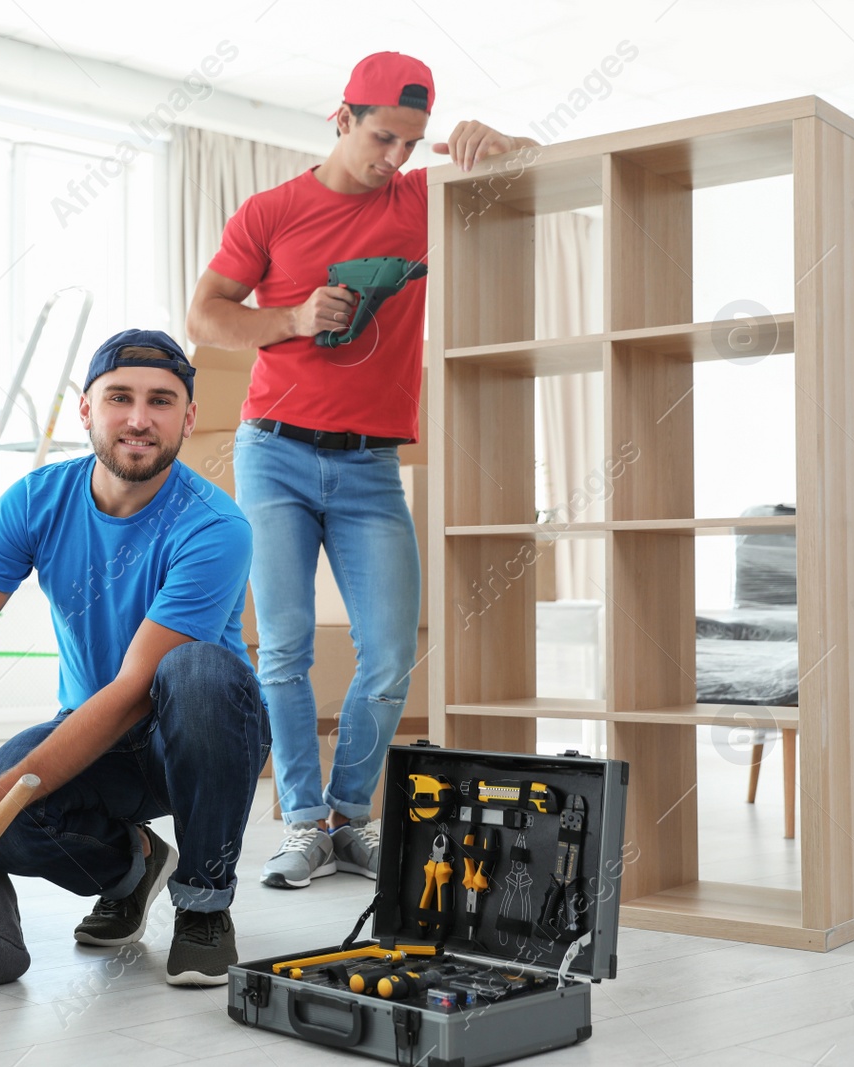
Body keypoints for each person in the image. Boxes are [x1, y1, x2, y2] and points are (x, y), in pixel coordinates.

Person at [185, 52, 538, 889]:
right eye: (384, 137)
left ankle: (350, 817)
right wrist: (292, 317)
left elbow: (536, 168)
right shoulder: (273, 211)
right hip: (273, 451)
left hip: (371, 464)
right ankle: (304, 821)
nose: (395, 159)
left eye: (412, 143)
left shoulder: (421, 201)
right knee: (286, 647)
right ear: (342, 118)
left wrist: (501, 141)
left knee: (388, 654)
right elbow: (204, 311)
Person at [0, 329, 266, 987]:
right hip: (96, 732)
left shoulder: (214, 525)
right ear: (84, 409)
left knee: (195, 671)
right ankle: (133, 867)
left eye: (162, 401)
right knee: (1, 828)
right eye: (119, 397)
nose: (139, 419)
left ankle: (204, 902)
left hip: (198, 734)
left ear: (188, 418)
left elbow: (138, 687)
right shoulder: (36, 501)